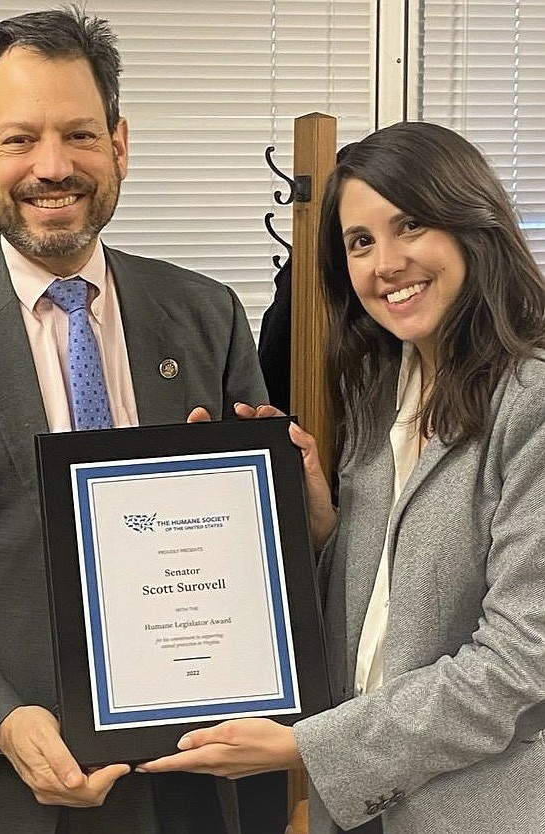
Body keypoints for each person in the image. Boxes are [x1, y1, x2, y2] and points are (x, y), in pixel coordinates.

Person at [0, 7, 268, 834]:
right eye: (20, 138)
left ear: (119, 145)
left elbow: (258, 560)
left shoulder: (208, 314)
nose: (52, 167)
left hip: (188, 780)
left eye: (79, 135)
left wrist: (293, 514)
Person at [138, 121, 545, 833]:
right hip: (360, 816)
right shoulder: (377, 391)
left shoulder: (531, 401)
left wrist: (306, 745)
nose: (384, 263)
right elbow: (381, 619)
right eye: (359, 242)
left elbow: (516, 664)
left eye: (408, 225)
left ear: (470, 222)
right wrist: (321, 529)